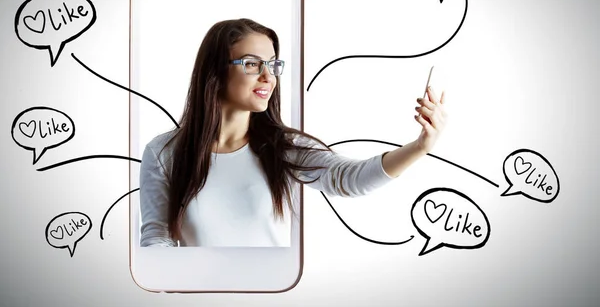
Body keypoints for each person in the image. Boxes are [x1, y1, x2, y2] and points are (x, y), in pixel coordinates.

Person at [139, 18, 447, 247]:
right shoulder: (164, 153)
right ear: (215, 70)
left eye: (273, 65)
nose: (267, 76)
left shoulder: (282, 147)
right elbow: (156, 239)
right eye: (251, 64)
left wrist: (419, 147)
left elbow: (349, 179)